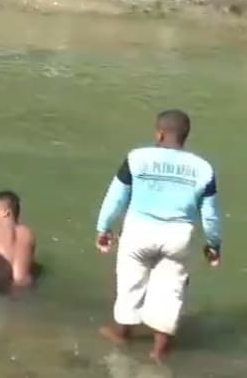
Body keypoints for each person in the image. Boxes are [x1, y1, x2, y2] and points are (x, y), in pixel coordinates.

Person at [95, 109, 221, 363]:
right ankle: (159, 351)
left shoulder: (137, 158)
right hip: (178, 235)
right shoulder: (203, 169)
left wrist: (104, 228)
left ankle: (122, 335)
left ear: (159, 133)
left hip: (139, 230)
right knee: (171, 290)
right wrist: (213, 244)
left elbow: (115, 197)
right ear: (186, 136)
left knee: (130, 283)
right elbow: (210, 214)